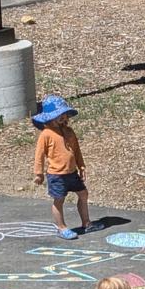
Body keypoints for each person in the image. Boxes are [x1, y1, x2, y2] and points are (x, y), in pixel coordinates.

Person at [32, 95, 102, 240]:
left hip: (72, 172)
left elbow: (76, 151)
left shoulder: (69, 132)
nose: (64, 118)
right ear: (51, 118)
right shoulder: (46, 134)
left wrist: (81, 166)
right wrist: (39, 173)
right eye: (60, 116)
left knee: (83, 194)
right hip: (56, 174)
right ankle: (62, 227)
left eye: (65, 115)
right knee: (59, 200)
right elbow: (39, 155)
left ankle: (86, 223)